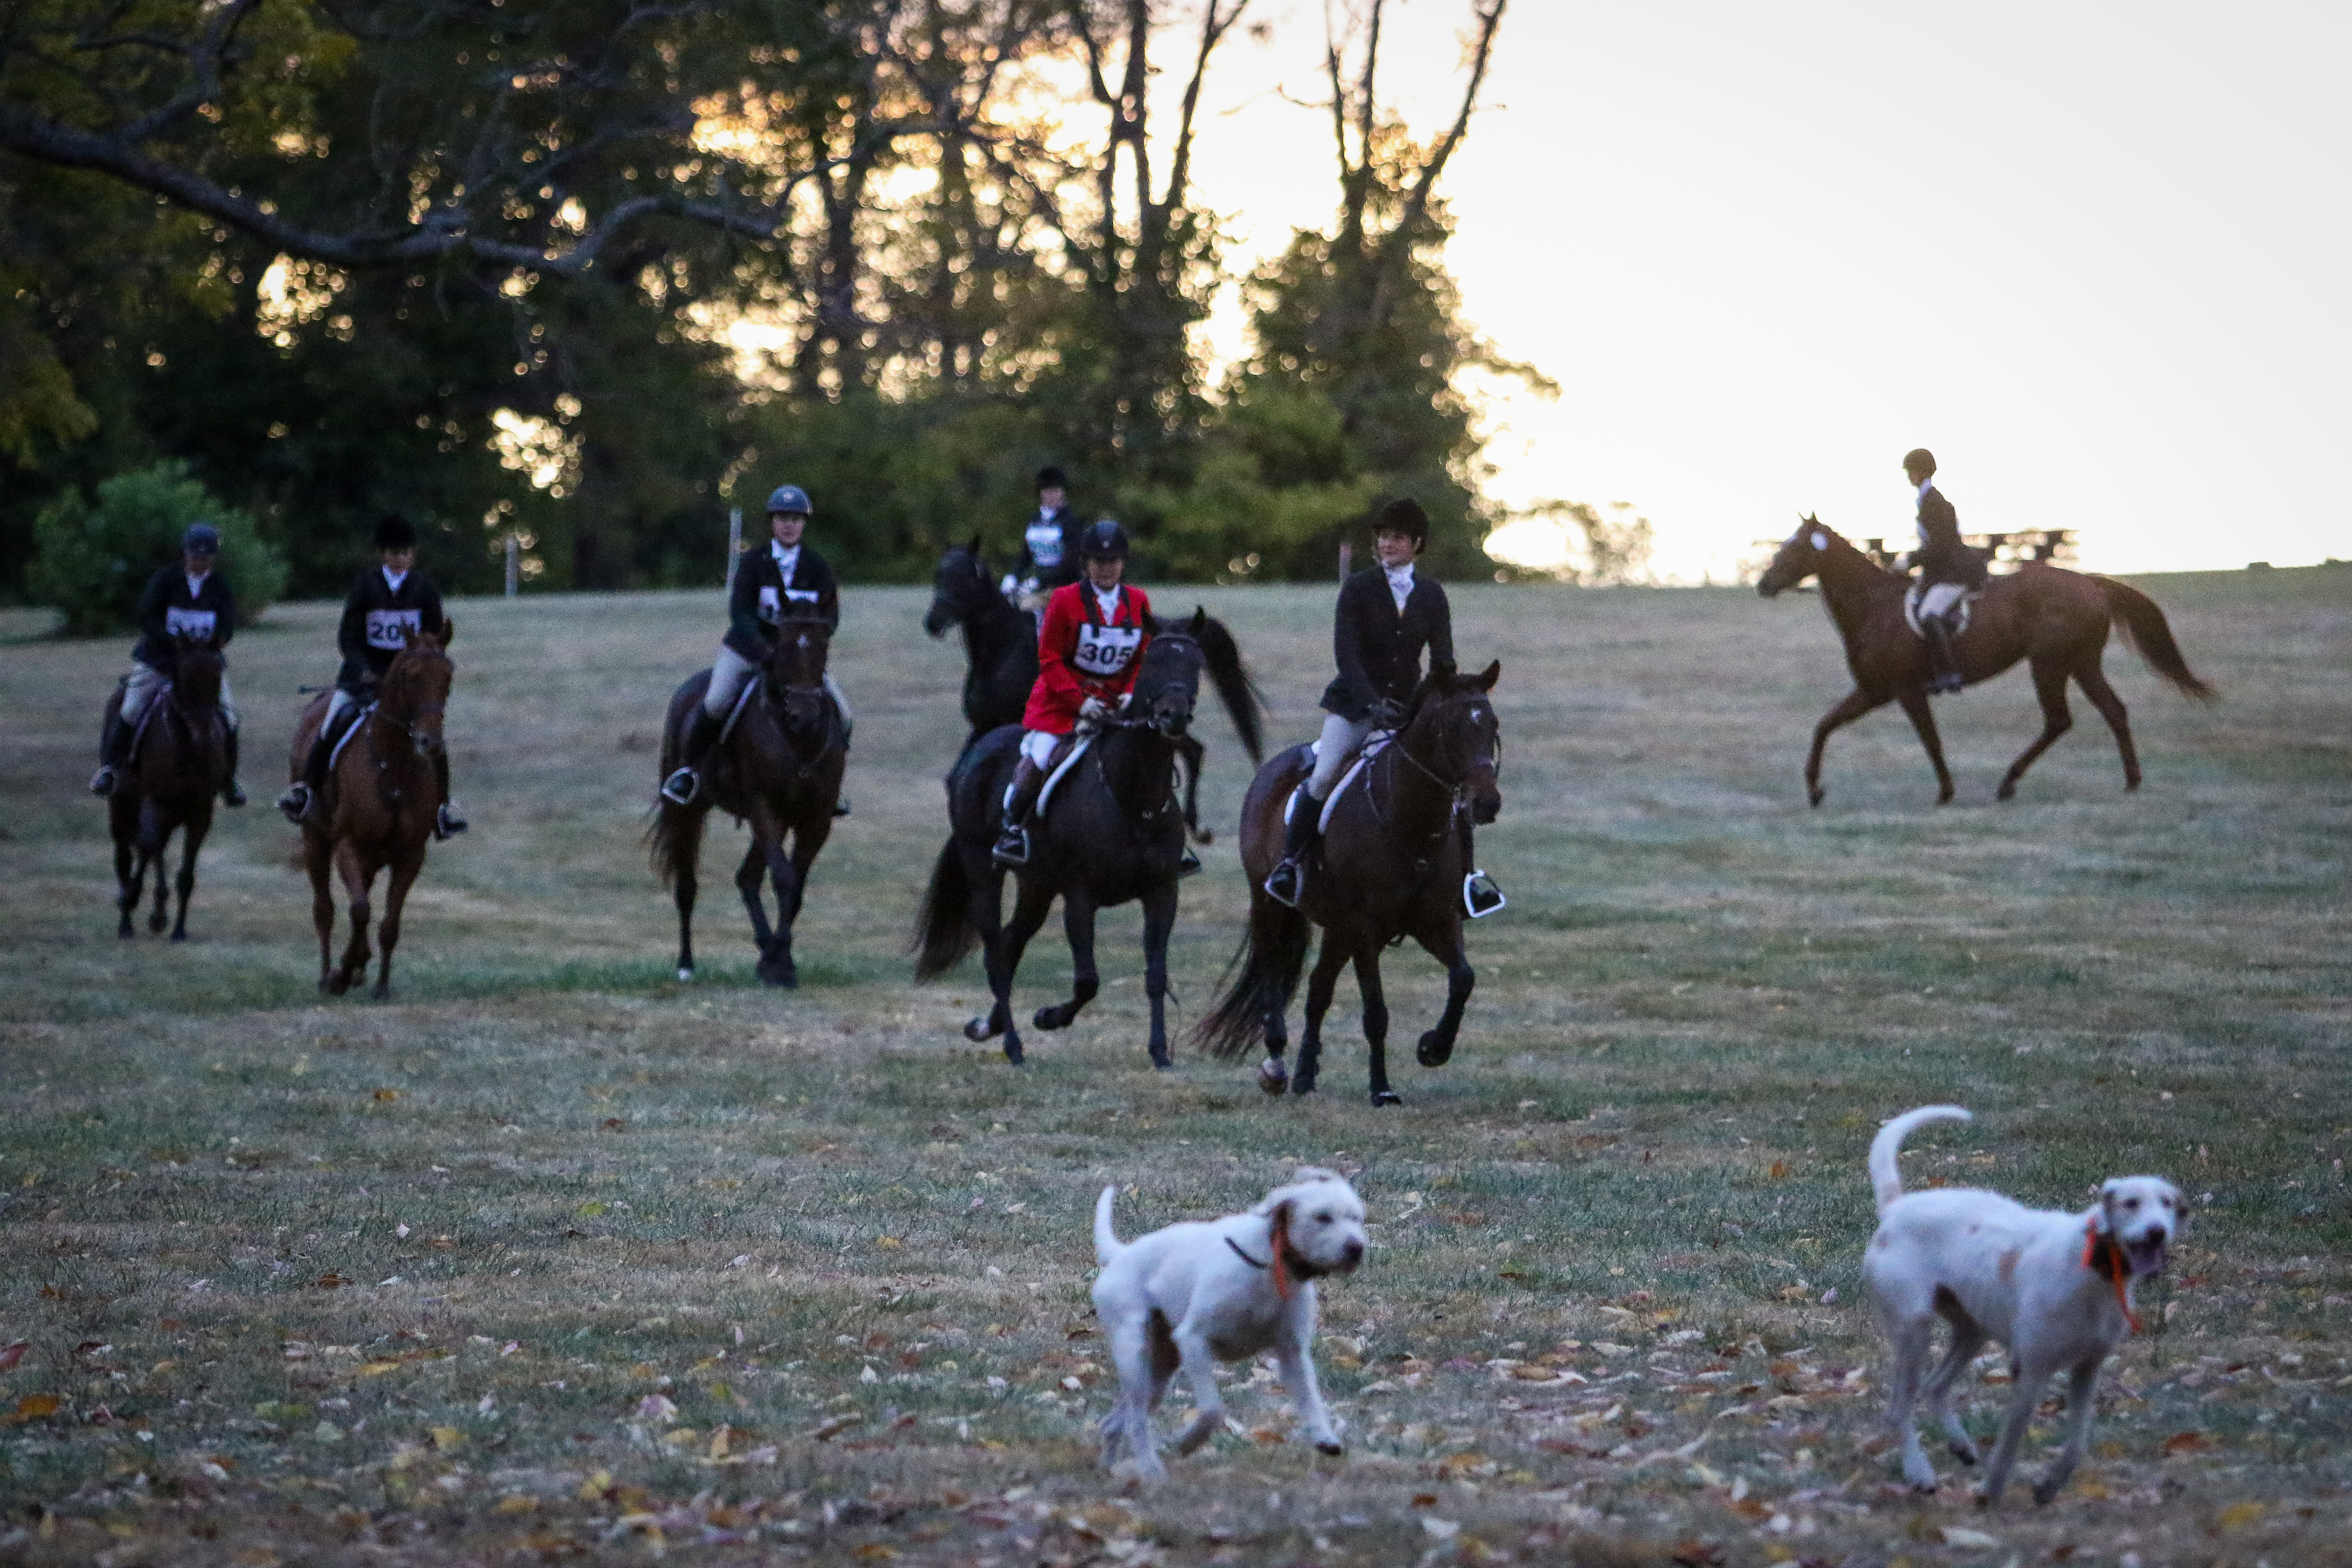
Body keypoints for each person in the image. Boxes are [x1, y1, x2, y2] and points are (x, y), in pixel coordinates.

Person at [1263, 497, 1455, 909]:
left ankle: (1465, 877)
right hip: (1354, 708)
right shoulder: (1358, 588)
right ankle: (1290, 863)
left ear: (1416, 543)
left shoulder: (1433, 595)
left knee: (1446, 783)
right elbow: (1346, 654)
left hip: (1406, 712)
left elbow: (1441, 659)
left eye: (1397, 538)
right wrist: (1371, 705)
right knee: (1326, 773)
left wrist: (1446, 692)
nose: (1388, 544)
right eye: (1384, 537)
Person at [661, 484, 852, 813]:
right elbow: (740, 613)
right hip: (748, 652)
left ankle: (829, 787)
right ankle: (688, 773)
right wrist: (765, 650)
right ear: (772, 523)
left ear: (804, 523)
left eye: (795, 518)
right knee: (717, 701)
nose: (789, 525)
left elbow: (830, 616)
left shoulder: (817, 567)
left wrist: (812, 645)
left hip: (798, 662)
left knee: (845, 714)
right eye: (782, 518)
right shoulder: (754, 562)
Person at [278, 514, 464, 836]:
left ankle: (443, 808)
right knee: (331, 722)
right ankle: (305, 790)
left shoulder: (424, 589)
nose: (400, 560)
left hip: (409, 685)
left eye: (406, 553)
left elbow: (433, 638)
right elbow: (349, 635)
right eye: (394, 554)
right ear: (383, 554)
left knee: (434, 737)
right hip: (365, 678)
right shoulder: (366, 586)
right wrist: (363, 670)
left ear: (413, 555)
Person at [992, 520, 1152, 867]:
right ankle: (1012, 828)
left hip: (1117, 706)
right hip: (1062, 703)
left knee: (1153, 755)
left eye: (1112, 562)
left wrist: (1129, 693)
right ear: (1086, 563)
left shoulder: (1138, 602)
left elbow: (1141, 657)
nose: (1106, 569)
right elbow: (1049, 659)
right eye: (1098, 561)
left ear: (1123, 563)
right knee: (1041, 753)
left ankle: (1163, 839)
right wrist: (1081, 703)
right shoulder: (1065, 600)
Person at [90, 521, 246, 806]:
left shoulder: (219, 585)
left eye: (206, 558)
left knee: (228, 715)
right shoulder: (166, 580)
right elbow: (147, 616)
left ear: (213, 559)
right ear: (185, 555)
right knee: (130, 707)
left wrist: (215, 645)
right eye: (195, 556)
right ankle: (110, 770)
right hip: (161, 660)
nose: (200, 562)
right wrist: (171, 643)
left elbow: (227, 623)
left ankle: (229, 780)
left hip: (201, 668)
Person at [1902, 448, 1988, 695]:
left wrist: (1910, 559)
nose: (1909, 476)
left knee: (1930, 613)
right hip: (1942, 571)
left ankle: (1950, 673)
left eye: (1911, 471)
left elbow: (1941, 545)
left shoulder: (1933, 501)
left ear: (1920, 472)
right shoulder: (1926, 499)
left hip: (1955, 572)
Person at [1007, 465, 1082, 609]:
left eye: (1055, 491)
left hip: (1065, 586)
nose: (1051, 496)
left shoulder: (1070, 522)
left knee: (1027, 608)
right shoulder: (1035, 520)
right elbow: (1027, 554)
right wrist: (1014, 576)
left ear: (1062, 492)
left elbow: (1070, 562)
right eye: (1047, 491)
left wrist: (1038, 581)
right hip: (1041, 584)